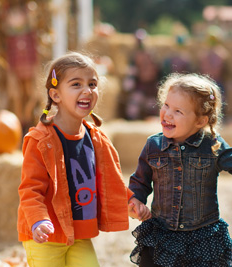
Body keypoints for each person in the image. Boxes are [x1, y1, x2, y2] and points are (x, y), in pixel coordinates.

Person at [129, 73, 232, 267]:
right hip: (162, 234)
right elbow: (140, 181)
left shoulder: (212, 145)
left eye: (178, 111)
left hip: (202, 237)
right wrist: (135, 200)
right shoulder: (153, 145)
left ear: (200, 121)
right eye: (166, 105)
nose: (168, 114)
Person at [17, 51, 151, 267]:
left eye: (92, 84)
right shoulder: (41, 140)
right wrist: (38, 220)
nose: (87, 90)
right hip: (46, 236)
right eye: (76, 84)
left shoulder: (96, 138)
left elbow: (111, 183)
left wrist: (130, 202)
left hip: (79, 234)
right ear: (55, 95)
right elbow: (30, 189)